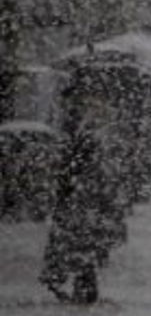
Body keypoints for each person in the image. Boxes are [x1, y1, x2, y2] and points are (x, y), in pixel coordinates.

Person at [39, 78, 128, 304]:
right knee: (80, 240)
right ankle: (79, 281)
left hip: (84, 193)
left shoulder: (87, 129)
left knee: (79, 239)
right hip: (82, 193)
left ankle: (78, 282)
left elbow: (84, 160)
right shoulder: (81, 127)